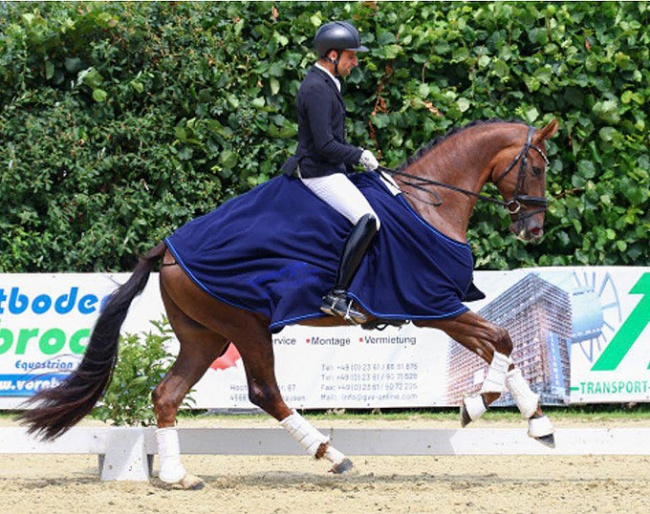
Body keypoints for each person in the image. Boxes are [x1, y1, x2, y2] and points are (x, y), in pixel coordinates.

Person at [282, 21, 380, 325]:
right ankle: (336, 295)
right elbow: (325, 144)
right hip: (319, 172)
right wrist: (359, 155)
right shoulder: (316, 88)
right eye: (352, 56)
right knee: (368, 220)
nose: (356, 62)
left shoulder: (327, 82)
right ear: (333, 55)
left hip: (331, 167)